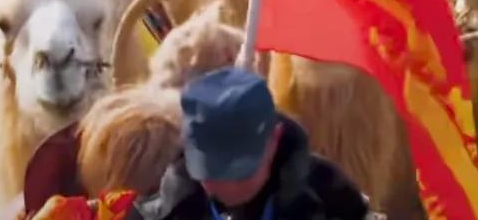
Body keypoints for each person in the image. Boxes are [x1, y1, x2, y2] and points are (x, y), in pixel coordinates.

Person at [132, 67, 370, 219]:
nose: (226, 186)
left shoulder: (329, 196)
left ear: (274, 139)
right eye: (211, 170)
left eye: (239, 171)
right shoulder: (168, 208)